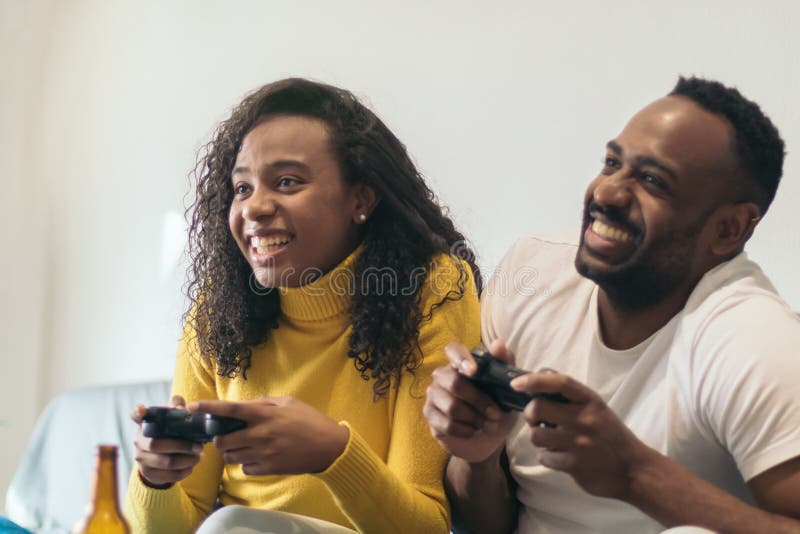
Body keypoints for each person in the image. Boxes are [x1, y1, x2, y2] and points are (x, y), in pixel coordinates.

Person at [423, 76, 800, 533]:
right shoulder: (533, 273)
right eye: (611, 163)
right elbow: (488, 526)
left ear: (729, 229)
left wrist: (634, 473)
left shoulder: (756, 339)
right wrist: (478, 458)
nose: (606, 193)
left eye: (652, 181)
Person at [124, 78, 482, 533]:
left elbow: (426, 526)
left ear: (361, 199)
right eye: (241, 188)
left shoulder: (431, 288)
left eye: (287, 182)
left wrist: (332, 454)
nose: (254, 208)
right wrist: (155, 479)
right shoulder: (217, 311)